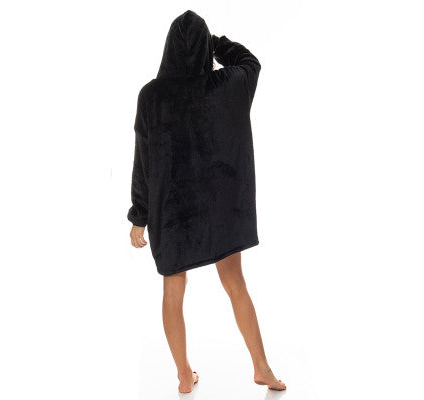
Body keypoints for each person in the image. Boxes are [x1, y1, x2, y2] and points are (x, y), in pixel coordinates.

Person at [127, 10, 286, 394]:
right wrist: (213, 44)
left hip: (173, 215)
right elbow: (250, 62)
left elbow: (142, 160)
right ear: (204, 49)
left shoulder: (152, 96)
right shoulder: (226, 85)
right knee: (235, 283)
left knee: (173, 290)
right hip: (220, 211)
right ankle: (262, 367)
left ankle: (184, 375)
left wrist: (139, 216)